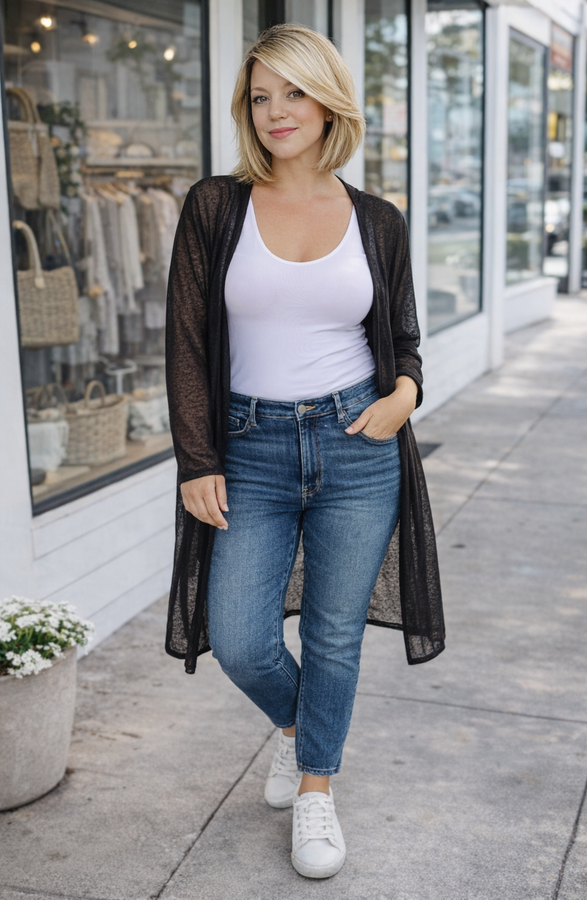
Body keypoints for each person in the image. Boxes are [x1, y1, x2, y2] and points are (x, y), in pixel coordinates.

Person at [165, 24, 444, 880]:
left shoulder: (376, 220)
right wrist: (198, 458)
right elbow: (183, 342)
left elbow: (402, 341)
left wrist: (403, 399)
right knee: (241, 635)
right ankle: (298, 729)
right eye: (260, 96)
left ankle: (317, 787)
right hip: (248, 448)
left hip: (358, 443)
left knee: (332, 635)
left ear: (328, 102)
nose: (276, 111)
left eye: (293, 92)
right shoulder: (216, 207)